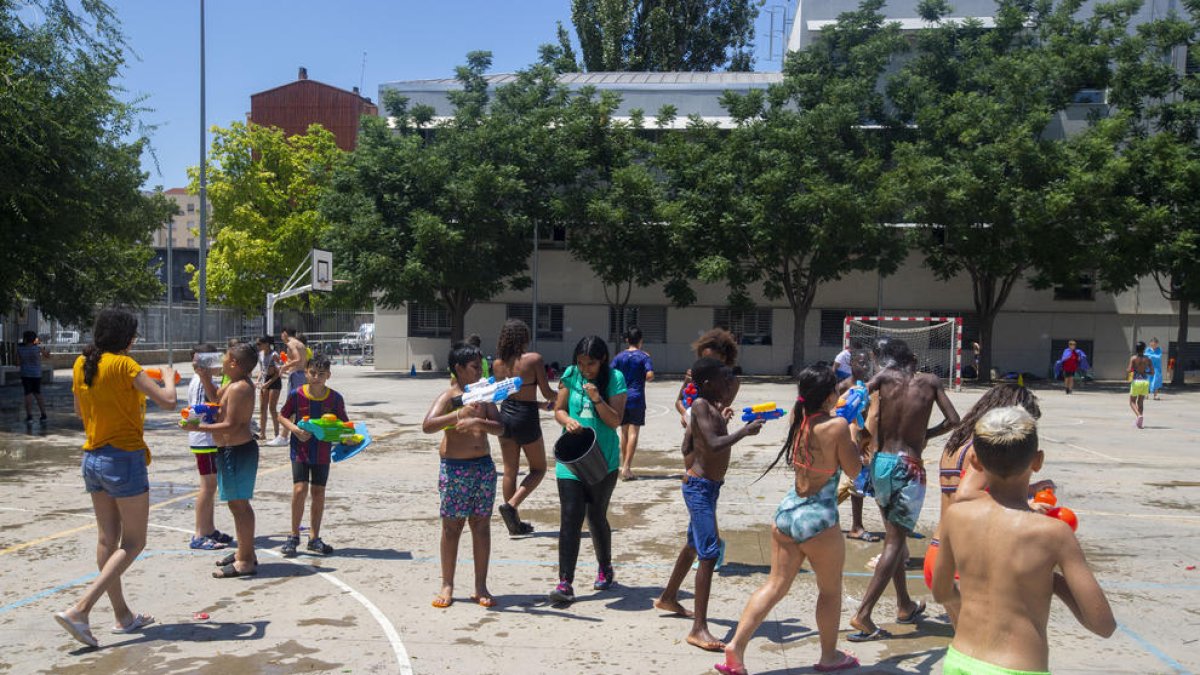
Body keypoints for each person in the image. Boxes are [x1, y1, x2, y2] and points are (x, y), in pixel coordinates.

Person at [933, 407, 1115, 674]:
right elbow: (1103, 624)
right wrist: (1053, 583)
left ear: (975, 461)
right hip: (1017, 666)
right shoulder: (1054, 534)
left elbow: (942, 592)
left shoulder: (955, 516)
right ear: (1037, 461)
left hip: (960, 660)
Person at [717, 365, 863, 675]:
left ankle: (736, 648)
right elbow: (854, 471)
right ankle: (829, 656)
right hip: (818, 519)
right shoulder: (836, 426)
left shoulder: (800, 419)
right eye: (836, 390)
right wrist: (853, 431)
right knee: (830, 591)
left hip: (787, 512)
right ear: (827, 396)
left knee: (774, 586)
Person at [55, 309, 176, 647]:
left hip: (92, 458)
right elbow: (168, 401)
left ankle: (122, 615)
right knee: (134, 543)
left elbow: (81, 412)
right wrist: (168, 376)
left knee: (108, 540)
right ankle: (81, 609)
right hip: (123, 459)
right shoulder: (125, 365)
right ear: (125, 337)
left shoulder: (82, 364)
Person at [849, 339, 959, 642]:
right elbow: (954, 421)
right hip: (908, 466)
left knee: (893, 539)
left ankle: (904, 605)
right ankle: (863, 615)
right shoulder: (930, 382)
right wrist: (925, 435)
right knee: (895, 543)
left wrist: (860, 432)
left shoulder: (883, 378)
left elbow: (855, 397)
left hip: (881, 463)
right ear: (912, 358)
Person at [656, 358, 764, 653]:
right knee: (709, 553)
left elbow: (699, 441)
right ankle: (698, 629)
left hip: (709, 488)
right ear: (706, 384)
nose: (727, 385)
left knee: (693, 545)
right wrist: (743, 431)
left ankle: (668, 596)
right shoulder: (701, 405)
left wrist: (724, 422)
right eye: (722, 380)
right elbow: (714, 444)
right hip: (699, 490)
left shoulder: (710, 407)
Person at [928, 384, 1050, 622]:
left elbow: (970, 491)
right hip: (963, 558)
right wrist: (1026, 509)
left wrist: (1030, 489)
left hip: (939, 552)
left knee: (966, 644)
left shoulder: (957, 442)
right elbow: (966, 495)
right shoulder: (982, 447)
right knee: (989, 646)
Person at [421, 342, 505, 608]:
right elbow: (427, 426)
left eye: (481, 366)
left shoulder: (484, 395)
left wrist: (478, 421)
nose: (480, 372)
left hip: (483, 467)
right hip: (455, 469)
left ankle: (481, 586)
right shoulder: (448, 398)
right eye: (473, 367)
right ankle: (447, 584)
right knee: (451, 527)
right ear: (458, 369)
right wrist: (458, 413)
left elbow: (501, 428)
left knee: (481, 526)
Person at [549, 335, 627, 603]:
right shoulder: (570, 375)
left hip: (603, 460)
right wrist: (567, 419)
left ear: (602, 359)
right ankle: (564, 583)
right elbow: (558, 409)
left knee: (595, 517)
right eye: (581, 363)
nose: (585, 369)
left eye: (590, 363)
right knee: (570, 518)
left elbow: (615, 421)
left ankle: (605, 567)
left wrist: (596, 398)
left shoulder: (615, 379)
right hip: (571, 460)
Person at [185, 343, 260, 579]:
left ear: (234, 364)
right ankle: (243, 551)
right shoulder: (231, 384)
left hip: (237, 451)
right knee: (235, 504)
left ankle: (246, 559)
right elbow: (216, 397)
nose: (221, 361)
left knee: (240, 506)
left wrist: (200, 426)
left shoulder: (240, 387)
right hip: (229, 450)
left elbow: (233, 424)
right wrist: (205, 376)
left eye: (225, 358)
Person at [492, 319, 557, 536]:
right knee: (538, 468)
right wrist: (563, 396)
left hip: (506, 415)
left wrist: (537, 404)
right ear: (524, 338)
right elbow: (547, 393)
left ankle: (514, 522)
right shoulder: (533, 359)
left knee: (510, 470)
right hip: (526, 418)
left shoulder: (498, 364)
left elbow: (505, 396)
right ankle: (511, 506)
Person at [276, 355, 347, 556]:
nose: (316, 377)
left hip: (322, 452)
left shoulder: (335, 398)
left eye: (321, 374)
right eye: (312, 373)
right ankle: (293, 536)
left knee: (318, 492)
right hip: (300, 449)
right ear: (306, 372)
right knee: (299, 489)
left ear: (328, 376)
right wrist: (295, 430)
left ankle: (314, 538)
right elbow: (281, 415)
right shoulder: (296, 394)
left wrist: (348, 438)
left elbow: (344, 424)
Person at [185, 343, 234, 551]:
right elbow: (197, 411)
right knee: (207, 487)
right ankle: (199, 534)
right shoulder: (200, 382)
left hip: (206, 438)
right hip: (203, 440)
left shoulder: (205, 380)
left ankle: (209, 528)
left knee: (211, 486)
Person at [835, 347, 877, 542]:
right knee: (854, 483)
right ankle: (856, 527)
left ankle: (856, 526)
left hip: (860, 440)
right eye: (860, 363)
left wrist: (866, 439)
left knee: (856, 484)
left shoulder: (867, 387)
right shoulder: (843, 386)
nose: (865, 366)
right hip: (844, 440)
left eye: (867, 363)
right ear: (850, 364)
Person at [611, 325, 655, 481]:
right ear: (641, 341)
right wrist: (641, 377)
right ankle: (627, 467)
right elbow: (650, 375)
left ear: (627, 340)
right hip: (636, 397)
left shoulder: (619, 357)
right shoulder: (644, 357)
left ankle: (624, 464)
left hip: (621, 397)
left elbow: (611, 373)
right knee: (633, 432)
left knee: (623, 431)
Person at [674, 328, 739, 428]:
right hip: (693, 427)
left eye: (712, 360)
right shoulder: (693, 376)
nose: (706, 364)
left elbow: (720, 408)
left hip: (712, 428)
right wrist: (685, 414)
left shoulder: (731, 382)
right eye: (704, 359)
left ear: (723, 358)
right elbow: (679, 401)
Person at [17, 330, 49, 423]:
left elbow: (17, 363)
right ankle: (43, 415)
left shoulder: (20, 349)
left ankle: (29, 416)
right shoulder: (38, 348)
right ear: (34, 339)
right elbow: (47, 356)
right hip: (36, 374)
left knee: (28, 394)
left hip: (25, 374)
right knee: (38, 393)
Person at [255, 336, 282, 442]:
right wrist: (258, 380)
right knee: (262, 408)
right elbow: (262, 370)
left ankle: (277, 434)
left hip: (274, 381)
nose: (258, 346)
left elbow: (278, 373)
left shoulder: (274, 355)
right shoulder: (260, 355)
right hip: (264, 380)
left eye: (259, 344)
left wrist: (268, 383)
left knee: (272, 408)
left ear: (266, 344)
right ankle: (262, 433)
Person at [1127, 341, 1154, 429]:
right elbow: (1152, 372)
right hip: (1145, 381)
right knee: (1140, 402)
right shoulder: (1148, 359)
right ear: (1144, 349)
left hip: (1136, 381)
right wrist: (1145, 371)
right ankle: (1139, 423)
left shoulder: (1133, 358)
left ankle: (1139, 416)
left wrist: (1131, 370)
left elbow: (1129, 370)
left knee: (1132, 402)